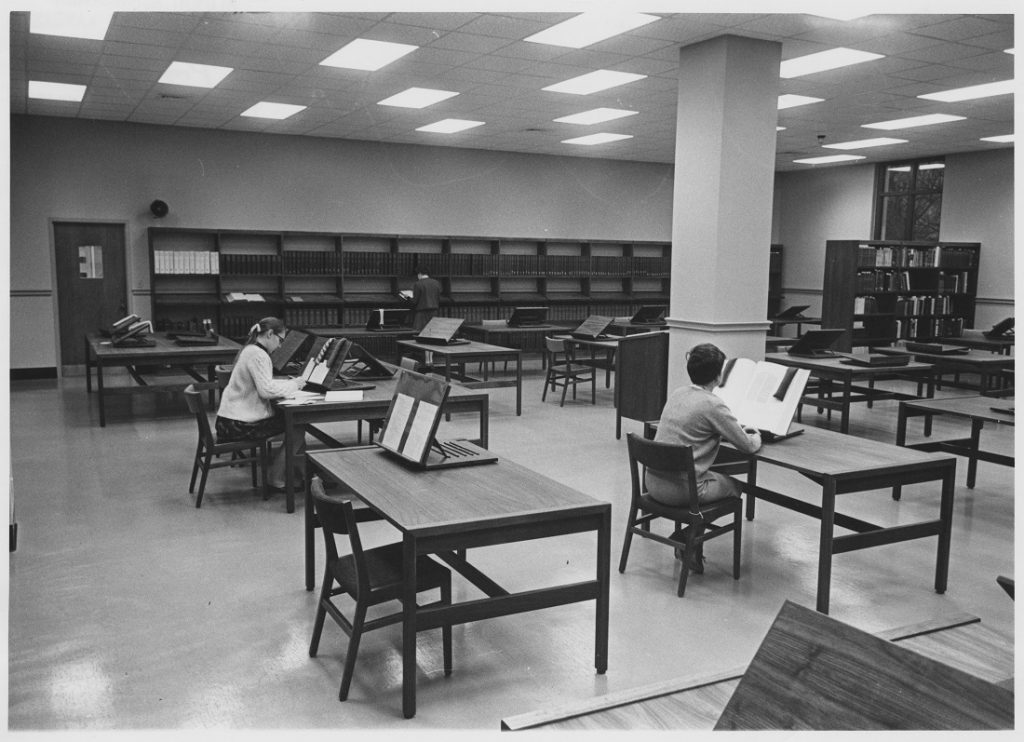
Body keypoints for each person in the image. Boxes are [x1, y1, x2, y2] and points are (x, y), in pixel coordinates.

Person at [649, 343, 762, 571]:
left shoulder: (678, 393)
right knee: (736, 487)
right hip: (681, 492)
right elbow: (747, 446)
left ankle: (687, 537)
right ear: (719, 376)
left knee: (711, 476)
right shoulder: (713, 404)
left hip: (653, 483)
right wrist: (756, 435)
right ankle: (687, 537)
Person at [215, 317, 304, 490]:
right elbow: (266, 391)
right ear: (270, 334)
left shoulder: (249, 349)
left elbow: (264, 384)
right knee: (298, 427)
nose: (279, 345)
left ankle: (295, 472)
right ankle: (276, 478)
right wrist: (294, 385)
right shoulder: (259, 355)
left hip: (229, 420)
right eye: (280, 340)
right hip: (239, 424)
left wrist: (288, 384)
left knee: (289, 419)